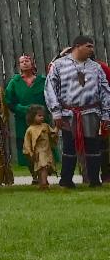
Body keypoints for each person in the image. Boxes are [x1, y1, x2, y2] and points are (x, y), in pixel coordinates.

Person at [44, 35, 110, 188]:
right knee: (69, 147)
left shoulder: (96, 67)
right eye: (88, 46)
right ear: (77, 46)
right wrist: (56, 112)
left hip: (91, 112)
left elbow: (105, 90)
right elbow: (50, 89)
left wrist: (106, 114)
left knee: (93, 146)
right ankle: (66, 180)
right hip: (68, 113)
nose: (91, 50)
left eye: (92, 46)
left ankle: (94, 180)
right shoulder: (59, 65)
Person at [4, 54, 49, 166]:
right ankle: (32, 171)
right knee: (27, 147)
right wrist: (22, 109)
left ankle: (43, 170)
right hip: (22, 120)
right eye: (22, 62)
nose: (24, 63)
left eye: (27, 61)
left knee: (43, 146)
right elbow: (9, 101)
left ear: (32, 63)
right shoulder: (14, 82)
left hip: (41, 119)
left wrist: (42, 111)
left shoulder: (42, 81)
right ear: (19, 65)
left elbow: (49, 98)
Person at [22, 105, 56, 189]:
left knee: (46, 167)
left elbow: (53, 134)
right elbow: (27, 142)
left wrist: (57, 128)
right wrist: (29, 152)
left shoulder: (45, 126)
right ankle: (43, 183)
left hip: (47, 150)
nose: (42, 117)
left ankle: (43, 182)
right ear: (32, 116)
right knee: (42, 167)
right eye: (39, 115)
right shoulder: (30, 129)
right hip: (38, 152)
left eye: (43, 116)